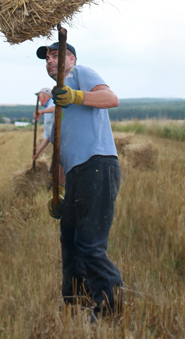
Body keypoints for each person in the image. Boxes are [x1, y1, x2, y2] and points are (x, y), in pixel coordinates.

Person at [37, 40, 123, 320]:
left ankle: (110, 310)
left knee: (89, 242)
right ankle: (75, 302)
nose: (50, 61)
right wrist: (61, 192)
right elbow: (65, 150)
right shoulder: (59, 96)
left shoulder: (80, 74)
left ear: (70, 59)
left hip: (97, 165)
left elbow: (111, 98)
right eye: (46, 58)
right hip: (77, 174)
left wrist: (76, 96)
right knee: (70, 240)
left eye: (54, 56)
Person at [32, 87, 55, 162]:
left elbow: (58, 108)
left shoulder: (53, 102)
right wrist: (37, 153)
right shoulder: (46, 110)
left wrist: (42, 111)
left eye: (39, 97)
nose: (38, 100)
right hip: (56, 146)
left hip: (63, 144)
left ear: (44, 97)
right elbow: (47, 137)